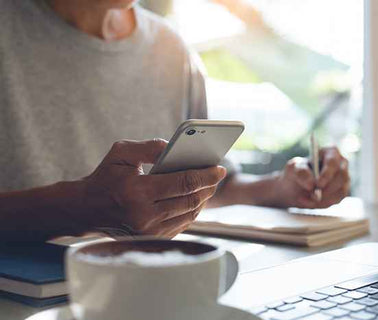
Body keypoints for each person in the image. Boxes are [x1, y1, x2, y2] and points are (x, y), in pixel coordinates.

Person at [0, 0, 350, 241]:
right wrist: (77, 206)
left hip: (146, 288)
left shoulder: (170, 48)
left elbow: (207, 188)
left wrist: (283, 187)